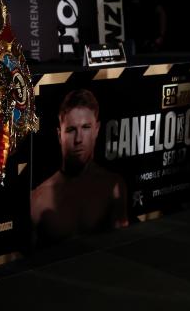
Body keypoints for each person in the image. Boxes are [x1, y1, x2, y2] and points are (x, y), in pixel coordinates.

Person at [31, 89, 128, 244]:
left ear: (96, 129)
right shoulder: (38, 199)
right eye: (71, 130)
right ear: (59, 135)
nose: (78, 139)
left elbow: (122, 245)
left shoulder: (113, 186)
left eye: (86, 127)